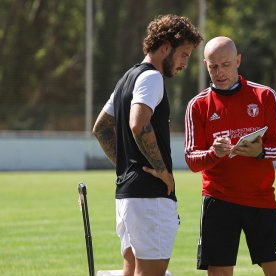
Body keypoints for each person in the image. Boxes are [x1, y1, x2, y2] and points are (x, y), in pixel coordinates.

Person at [93, 14, 203, 276]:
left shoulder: (126, 80)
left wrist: (127, 165)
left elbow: (100, 129)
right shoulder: (152, 78)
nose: (185, 63)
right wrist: (162, 170)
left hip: (128, 195)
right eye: (184, 54)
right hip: (149, 197)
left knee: (131, 271)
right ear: (166, 46)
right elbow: (139, 124)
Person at [184, 36, 276, 276]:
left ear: (238, 60)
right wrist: (213, 153)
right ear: (205, 65)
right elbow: (191, 159)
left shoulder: (265, 96)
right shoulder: (197, 105)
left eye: (226, 64)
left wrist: (260, 152)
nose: (219, 72)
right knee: (219, 271)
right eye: (213, 67)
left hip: (261, 198)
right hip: (218, 200)